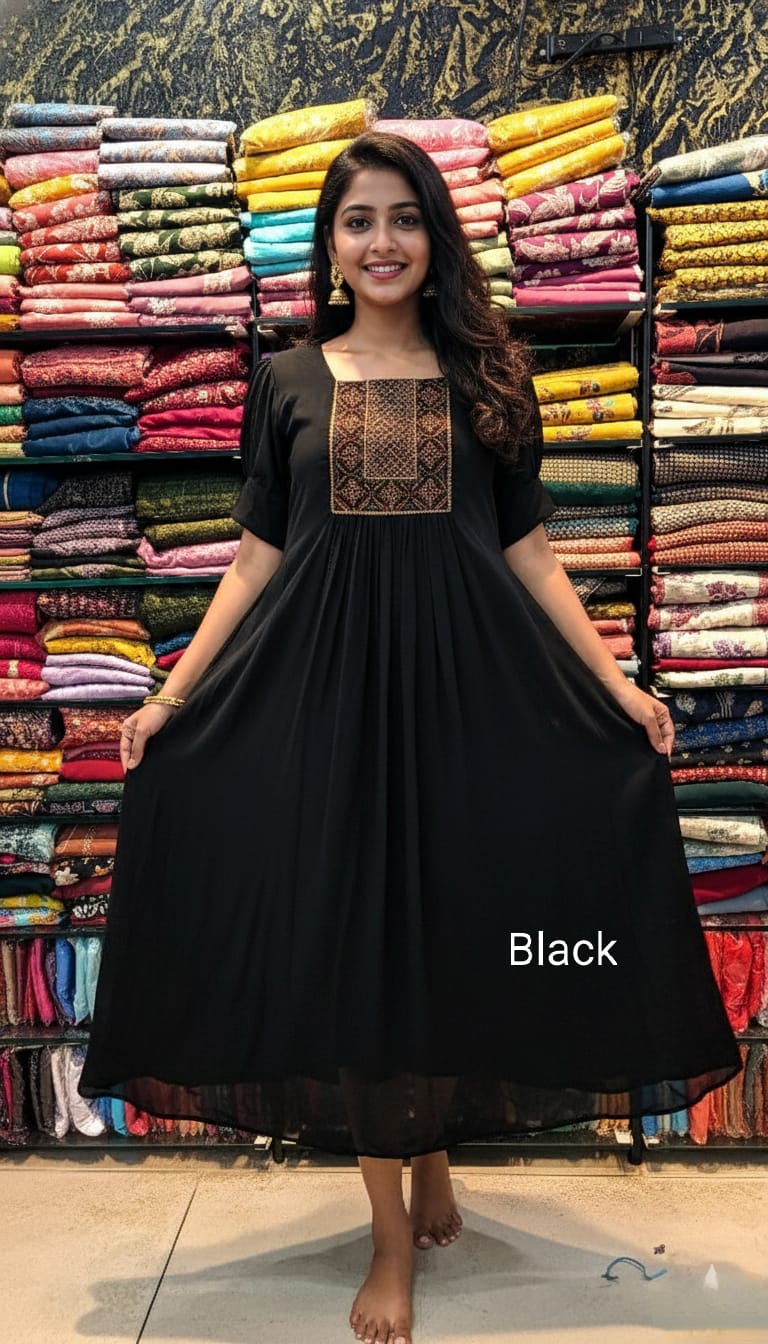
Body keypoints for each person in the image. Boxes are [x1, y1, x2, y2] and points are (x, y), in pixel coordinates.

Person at [80, 132, 742, 1344]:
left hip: (466, 698)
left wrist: (617, 685)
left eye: (403, 217)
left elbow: (529, 551)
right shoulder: (287, 379)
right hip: (328, 701)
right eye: (357, 221)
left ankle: (431, 1151)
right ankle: (391, 1238)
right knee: (361, 947)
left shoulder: (490, 374)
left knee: (457, 929)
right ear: (330, 246)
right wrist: (172, 696)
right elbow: (258, 558)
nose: (381, 241)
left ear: (435, 236)